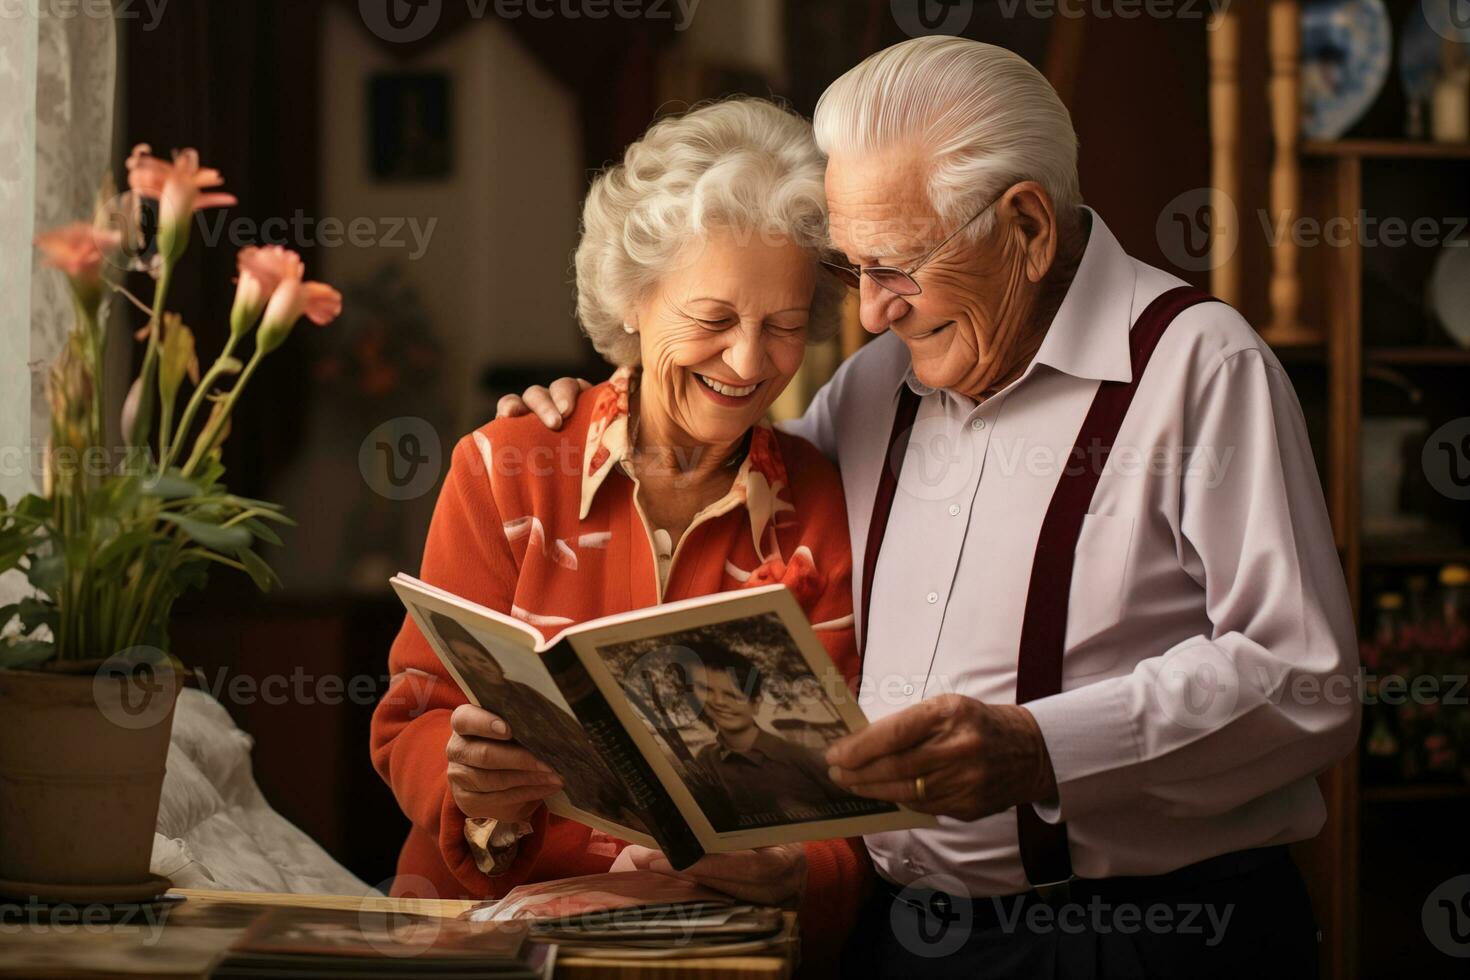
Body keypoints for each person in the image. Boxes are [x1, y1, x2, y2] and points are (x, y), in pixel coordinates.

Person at [496, 37, 1359, 977]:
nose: (872, 313)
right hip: (900, 941)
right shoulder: (874, 389)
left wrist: (1040, 748)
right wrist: (585, 413)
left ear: (1026, 227)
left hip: (1143, 940)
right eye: (852, 269)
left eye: (898, 266)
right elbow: (723, 486)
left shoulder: (1197, 366)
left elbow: (1306, 682)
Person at [369, 97, 871, 967]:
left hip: (716, 951)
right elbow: (412, 716)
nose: (750, 363)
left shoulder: (824, 501)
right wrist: (472, 784)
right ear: (633, 300)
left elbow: (851, 798)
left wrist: (797, 867)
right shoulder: (505, 467)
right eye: (713, 319)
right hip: (497, 936)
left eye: (783, 327)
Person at [424, 612, 645, 829]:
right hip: (548, 808)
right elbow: (419, 718)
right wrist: (474, 787)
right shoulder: (485, 697)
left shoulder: (525, 692)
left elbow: (570, 728)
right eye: (467, 660)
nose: (479, 665)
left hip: (597, 775)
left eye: (481, 658)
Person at [681, 645, 858, 831]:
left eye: (731, 694)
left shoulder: (799, 756)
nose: (719, 702)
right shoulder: (706, 759)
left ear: (755, 704)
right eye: (708, 691)